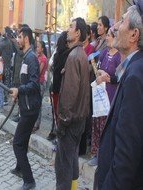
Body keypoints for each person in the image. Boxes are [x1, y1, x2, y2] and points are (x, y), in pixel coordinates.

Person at [98, 2, 143, 189]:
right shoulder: (133, 70)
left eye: (122, 21)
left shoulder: (135, 77)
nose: (115, 27)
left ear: (134, 34)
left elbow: (127, 155)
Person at [54, 17, 89, 190]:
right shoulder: (81, 54)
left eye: (71, 26)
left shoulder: (74, 56)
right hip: (79, 121)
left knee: (63, 168)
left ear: (77, 33)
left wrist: (62, 123)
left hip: (70, 123)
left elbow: (69, 95)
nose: (67, 29)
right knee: (72, 160)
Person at [10, 27, 41, 190]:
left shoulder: (32, 58)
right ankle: (19, 168)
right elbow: (24, 82)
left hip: (30, 109)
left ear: (27, 39)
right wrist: (18, 95)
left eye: (20, 37)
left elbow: (34, 84)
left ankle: (29, 180)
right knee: (24, 141)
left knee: (17, 143)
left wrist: (19, 91)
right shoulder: (26, 56)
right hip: (26, 105)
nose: (18, 40)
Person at [88, 28, 121, 166]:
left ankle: (103, 155)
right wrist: (99, 72)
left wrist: (108, 79)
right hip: (99, 96)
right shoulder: (103, 53)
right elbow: (97, 70)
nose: (107, 38)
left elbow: (119, 77)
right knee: (97, 124)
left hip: (110, 97)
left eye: (109, 36)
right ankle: (95, 153)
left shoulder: (119, 56)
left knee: (106, 127)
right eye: (107, 36)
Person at [47, 31, 69, 141]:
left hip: (55, 88)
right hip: (61, 89)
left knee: (56, 114)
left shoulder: (57, 54)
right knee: (60, 115)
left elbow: (50, 65)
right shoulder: (67, 54)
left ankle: (57, 136)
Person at [79, 24, 96, 155]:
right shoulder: (79, 47)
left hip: (86, 84)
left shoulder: (92, 49)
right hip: (76, 84)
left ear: (89, 35)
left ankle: (83, 145)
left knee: (85, 114)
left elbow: (91, 67)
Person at [33, 41, 48, 132]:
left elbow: (38, 72)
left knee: (38, 105)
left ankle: (37, 124)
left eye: (38, 47)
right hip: (36, 83)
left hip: (40, 83)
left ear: (42, 49)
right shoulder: (37, 56)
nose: (37, 48)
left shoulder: (43, 59)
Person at [0, 26, 13, 104]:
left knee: (5, 81)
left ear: (6, 33)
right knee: (6, 81)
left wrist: (0, 37)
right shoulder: (8, 41)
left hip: (6, 65)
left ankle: (5, 99)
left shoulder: (6, 42)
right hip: (7, 64)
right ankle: (4, 98)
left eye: (3, 31)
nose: (2, 32)